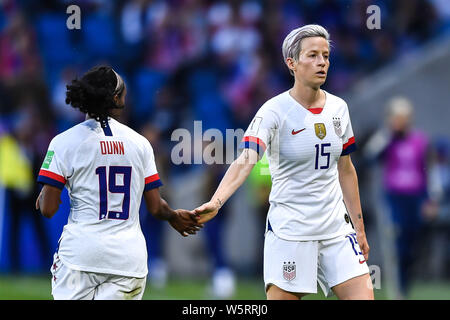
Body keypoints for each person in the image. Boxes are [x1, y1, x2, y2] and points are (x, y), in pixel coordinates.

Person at [194, 25, 374, 300]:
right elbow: (246, 159)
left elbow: (346, 169)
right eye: (312, 55)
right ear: (291, 63)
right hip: (291, 231)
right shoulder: (273, 111)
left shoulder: (339, 108)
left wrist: (359, 229)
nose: (322, 62)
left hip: (336, 229)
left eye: (325, 56)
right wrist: (216, 203)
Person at [35, 65, 203, 300]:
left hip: (80, 257)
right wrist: (174, 216)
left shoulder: (63, 142)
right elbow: (156, 207)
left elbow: (48, 209)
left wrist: (44, 194)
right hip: (128, 261)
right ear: (116, 99)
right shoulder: (140, 143)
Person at [364, 96, 430, 298]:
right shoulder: (387, 140)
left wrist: (428, 199)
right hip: (394, 200)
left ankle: (405, 287)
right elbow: (369, 157)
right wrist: (386, 134)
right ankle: (397, 291)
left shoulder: (419, 140)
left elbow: (425, 170)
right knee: (396, 248)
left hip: (415, 199)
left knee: (412, 249)